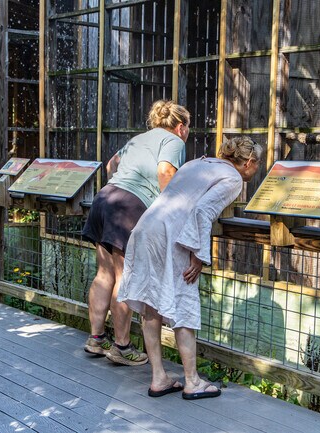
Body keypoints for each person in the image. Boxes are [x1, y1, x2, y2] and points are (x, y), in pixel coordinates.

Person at [117, 136, 262, 398]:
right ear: (249, 162)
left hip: (145, 228)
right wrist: (199, 255)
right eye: (257, 164)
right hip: (171, 236)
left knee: (151, 302)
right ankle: (192, 381)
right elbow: (203, 211)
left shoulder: (198, 162)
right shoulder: (233, 178)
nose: (256, 169)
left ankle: (159, 377)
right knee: (183, 303)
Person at [81, 100, 191, 366]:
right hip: (129, 206)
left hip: (105, 198)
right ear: (180, 126)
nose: (188, 132)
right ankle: (122, 346)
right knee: (124, 277)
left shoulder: (139, 139)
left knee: (104, 272)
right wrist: (171, 210)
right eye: (188, 127)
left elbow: (111, 166)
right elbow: (165, 172)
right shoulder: (174, 141)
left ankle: (96, 338)